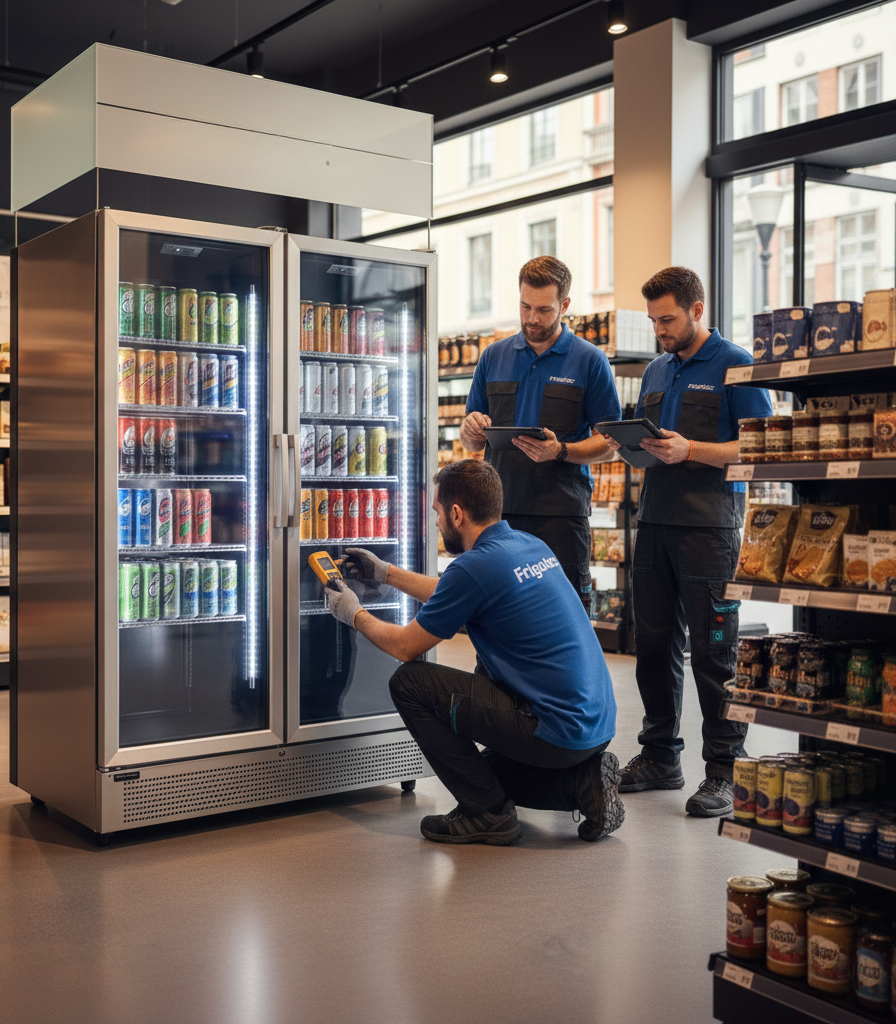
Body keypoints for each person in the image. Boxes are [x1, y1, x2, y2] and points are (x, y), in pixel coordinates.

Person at [322, 458, 622, 846]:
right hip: (594, 725)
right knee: (484, 776)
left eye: (437, 513)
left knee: (410, 682)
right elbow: (459, 593)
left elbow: (405, 646)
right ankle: (584, 784)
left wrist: (353, 613)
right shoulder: (526, 545)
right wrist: (384, 573)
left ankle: (488, 815)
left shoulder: (476, 567)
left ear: (457, 513)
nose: (436, 522)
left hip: (555, 731)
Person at [600, 267, 773, 817]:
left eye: (668, 319)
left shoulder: (736, 364)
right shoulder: (655, 369)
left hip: (710, 529)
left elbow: (759, 447)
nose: (660, 331)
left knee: (714, 654)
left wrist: (691, 449)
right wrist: (631, 446)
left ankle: (724, 772)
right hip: (654, 524)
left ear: (698, 309)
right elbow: (655, 444)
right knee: (652, 648)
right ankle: (660, 757)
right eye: (654, 321)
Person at [459, 255, 621, 612]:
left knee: (564, 614)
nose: (532, 318)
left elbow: (610, 446)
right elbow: (471, 441)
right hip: (497, 514)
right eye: (525, 306)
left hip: (560, 514)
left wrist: (560, 451)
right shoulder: (492, 357)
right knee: (494, 614)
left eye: (544, 310)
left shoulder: (590, 360)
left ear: (564, 305)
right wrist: (469, 429)